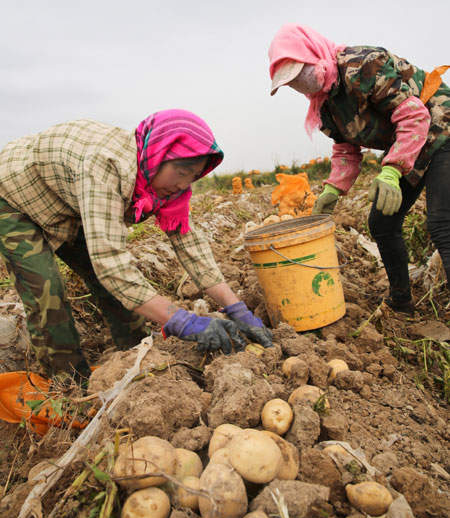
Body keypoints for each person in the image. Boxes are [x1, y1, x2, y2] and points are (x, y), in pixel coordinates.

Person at [0, 109, 272, 386]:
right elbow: (110, 262)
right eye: (180, 172)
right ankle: (69, 388)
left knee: (113, 285)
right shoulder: (106, 165)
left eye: (193, 176)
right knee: (47, 291)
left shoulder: (169, 189)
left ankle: (136, 357)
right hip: (15, 195)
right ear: (158, 154)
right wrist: (182, 321)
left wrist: (237, 308)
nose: (183, 184)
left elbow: (190, 245)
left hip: (68, 203)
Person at [268, 24, 450, 314]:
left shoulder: (362, 66)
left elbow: (414, 116)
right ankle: (401, 301)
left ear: (314, 56)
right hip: (409, 143)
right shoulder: (324, 107)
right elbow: (346, 149)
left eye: (300, 73)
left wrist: (392, 170)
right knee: (382, 223)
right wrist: (332, 189)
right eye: (292, 82)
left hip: (441, 127)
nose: (300, 84)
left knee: (443, 223)